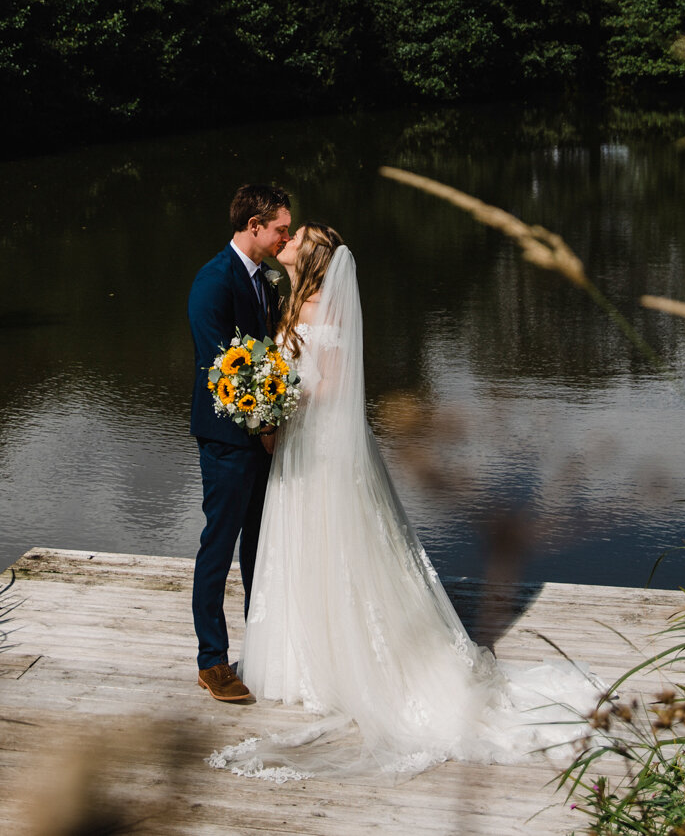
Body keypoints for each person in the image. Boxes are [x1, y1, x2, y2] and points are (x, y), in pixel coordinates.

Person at [219, 222, 594, 777]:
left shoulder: (325, 306)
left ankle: (350, 662)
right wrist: (268, 391)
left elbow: (336, 385)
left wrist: (280, 393)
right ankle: (301, 661)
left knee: (338, 544)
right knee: (302, 545)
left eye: (297, 236)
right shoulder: (291, 296)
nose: (289, 239)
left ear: (316, 258)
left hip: (324, 448)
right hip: (299, 445)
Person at [186, 183, 293, 704]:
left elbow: (266, 356)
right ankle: (212, 662)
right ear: (254, 226)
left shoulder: (266, 280)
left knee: (260, 544)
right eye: (280, 229)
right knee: (219, 545)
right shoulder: (213, 282)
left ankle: (264, 644)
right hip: (228, 440)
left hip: (263, 437)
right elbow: (220, 369)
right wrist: (264, 425)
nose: (285, 237)